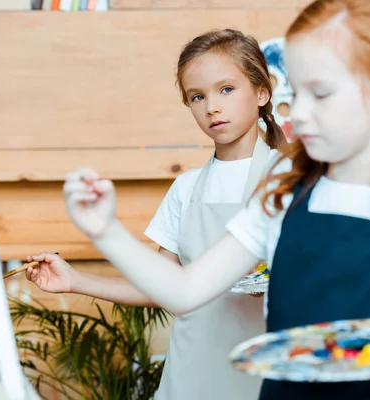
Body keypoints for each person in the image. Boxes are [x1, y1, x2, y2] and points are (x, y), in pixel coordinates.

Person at [43, 1, 370, 398]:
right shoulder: (284, 188)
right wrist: (105, 230)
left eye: (320, 93)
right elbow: (184, 290)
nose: (298, 114)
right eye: (297, 94)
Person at [25, 29, 286, 400]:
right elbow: (164, 287)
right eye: (198, 96)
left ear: (262, 93)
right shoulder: (186, 188)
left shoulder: (288, 180)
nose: (212, 106)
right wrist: (74, 280)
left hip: (263, 373)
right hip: (191, 375)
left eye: (226, 89)